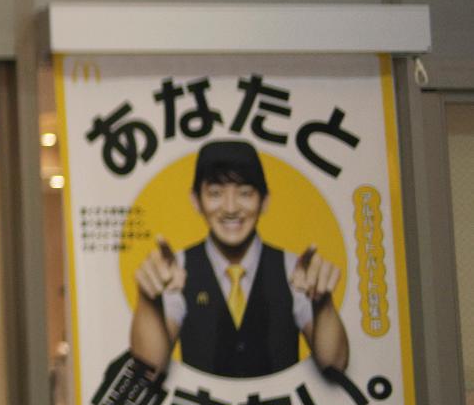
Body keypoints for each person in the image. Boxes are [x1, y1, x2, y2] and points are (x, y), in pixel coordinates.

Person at [130, 140, 349, 379]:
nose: (231, 208)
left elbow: (334, 366)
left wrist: (322, 302)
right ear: (196, 201)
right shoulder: (176, 269)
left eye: (245, 193)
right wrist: (148, 299)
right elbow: (149, 369)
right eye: (215, 193)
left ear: (264, 201)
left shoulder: (293, 268)